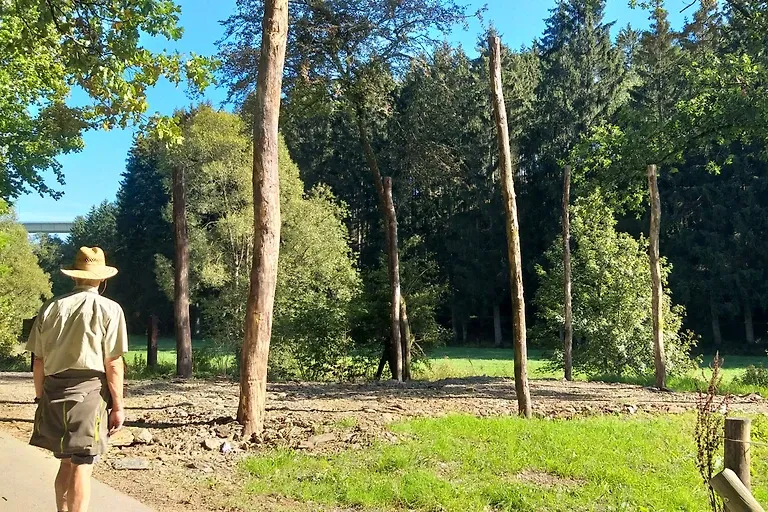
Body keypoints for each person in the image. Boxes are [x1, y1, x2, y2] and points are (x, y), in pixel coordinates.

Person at [26, 247, 128, 512]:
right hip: (90, 393)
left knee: (65, 461)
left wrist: (41, 396)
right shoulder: (110, 309)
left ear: (74, 277)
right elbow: (113, 363)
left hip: (53, 389)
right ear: (102, 279)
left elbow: (39, 360)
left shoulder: (50, 307)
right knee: (83, 463)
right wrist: (118, 406)